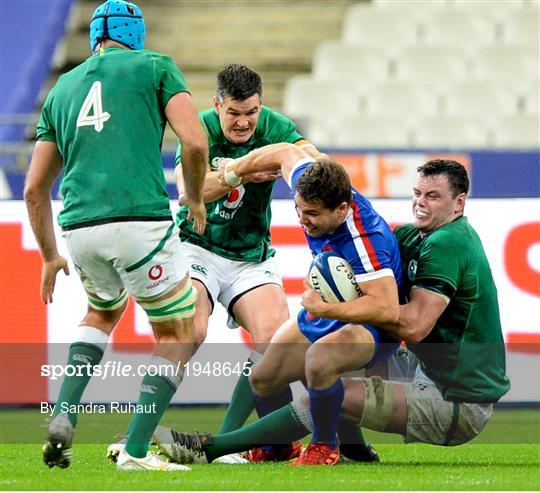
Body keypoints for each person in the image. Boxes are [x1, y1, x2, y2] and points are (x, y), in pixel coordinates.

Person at [150, 159, 510, 465]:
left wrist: (328, 307)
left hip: (457, 400)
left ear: (459, 203)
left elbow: (413, 326)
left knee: (325, 388)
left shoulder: (450, 242)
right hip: (424, 370)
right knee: (280, 368)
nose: (420, 203)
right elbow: (291, 153)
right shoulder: (413, 236)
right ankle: (324, 448)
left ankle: (210, 448)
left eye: (433, 196)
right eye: (417, 193)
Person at [24, 0, 208, 472]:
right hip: (139, 220)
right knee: (177, 332)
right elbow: (194, 141)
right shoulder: (156, 67)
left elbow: (33, 189)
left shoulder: (62, 87)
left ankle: (65, 411)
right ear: (136, 32)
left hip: (80, 227)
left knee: (101, 312)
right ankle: (136, 452)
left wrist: (49, 255)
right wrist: (194, 198)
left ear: (95, 36)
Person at [172, 64, 330, 459]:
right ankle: (136, 435)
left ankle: (224, 443)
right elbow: (189, 191)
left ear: (261, 106)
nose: (243, 123)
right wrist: (240, 172)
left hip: (250, 255)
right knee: (191, 329)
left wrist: (298, 162)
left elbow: (320, 168)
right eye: (234, 113)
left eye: (251, 112)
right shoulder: (199, 128)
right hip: (197, 245)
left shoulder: (276, 127)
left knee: (275, 340)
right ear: (217, 105)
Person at [214, 143, 404, 465]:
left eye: (313, 214)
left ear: (341, 209)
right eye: (299, 209)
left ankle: (324, 446)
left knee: (318, 360)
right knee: (262, 377)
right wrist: (236, 170)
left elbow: (387, 309)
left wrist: (324, 309)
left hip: (373, 325)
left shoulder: (364, 240)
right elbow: (287, 152)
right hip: (333, 304)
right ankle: (280, 446)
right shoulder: (310, 180)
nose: (303, 220)